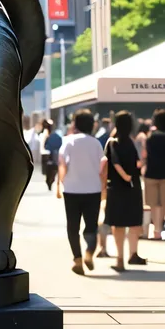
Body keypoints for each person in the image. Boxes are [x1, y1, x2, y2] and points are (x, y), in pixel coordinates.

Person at [57, 108, 106, 275]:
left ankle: (77, 259)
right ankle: (89, 253)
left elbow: (62, 164)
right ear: (92, 125)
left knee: (73, 226)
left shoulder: (69, 142)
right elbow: (102, 166)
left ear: (75, 124)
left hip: (72, 190)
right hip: (93, 189)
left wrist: (61, 184)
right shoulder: (96, 143)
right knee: (91, 225)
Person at [104, 110, 147, 272]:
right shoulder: (134, 142)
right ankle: (133, 253)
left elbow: (106, 165)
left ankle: (120, 258)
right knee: (134, 222)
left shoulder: (112, 143)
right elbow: (139, 163)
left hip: (115, 188)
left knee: (118, 224)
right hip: (133, 188)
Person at [143, 108, 165, 241]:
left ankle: (156, 230)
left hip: (151, 173)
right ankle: (160, 229)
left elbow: (145, 154)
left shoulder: (150, 137)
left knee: (154, 204)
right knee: (163, 203)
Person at [42, 120, 62, 191]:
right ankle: (50, 184)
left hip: (50, 158)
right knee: (52, 172)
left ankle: (49, 184)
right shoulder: (56, 136)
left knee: (50, 173)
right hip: (53, 158)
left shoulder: (47, 136)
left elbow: (45, 146)